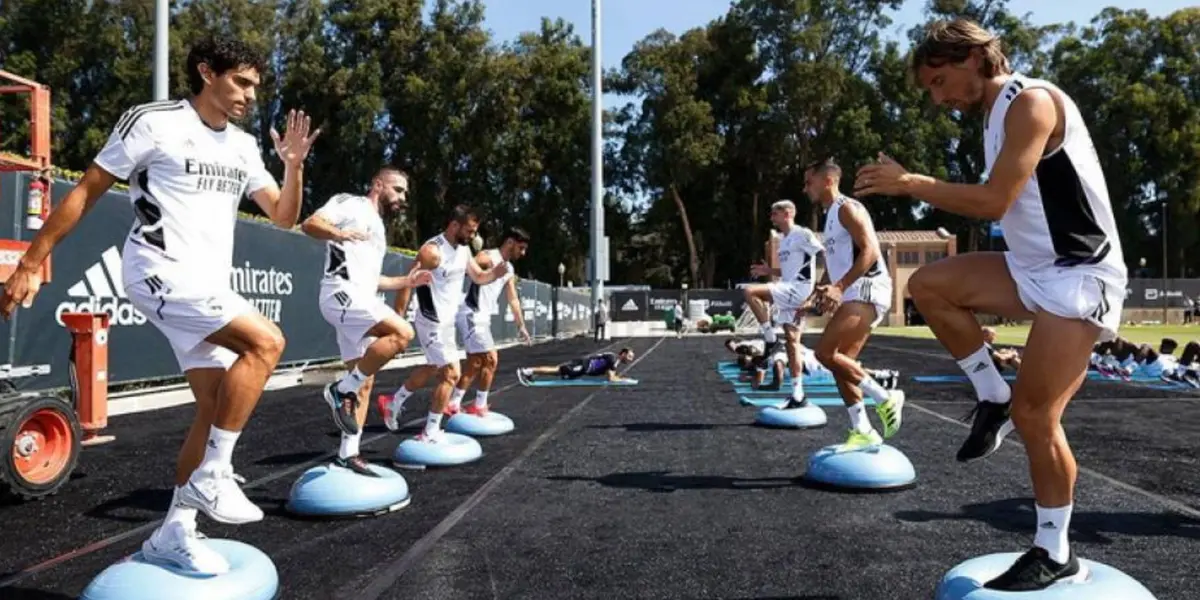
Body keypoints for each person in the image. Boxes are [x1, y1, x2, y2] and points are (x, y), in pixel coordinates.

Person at [0, 38, 319, 574]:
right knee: (267, 342)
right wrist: (31, 262)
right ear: (205, 72)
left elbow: (283, 216)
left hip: (206, 285)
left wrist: (293, 166)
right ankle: (215, 475)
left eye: (255, 86)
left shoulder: (242, 146)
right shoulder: (154, 121)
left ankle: (175, 531)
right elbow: (87, 191)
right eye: (239, 81)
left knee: (216, 404)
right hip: (157, 272)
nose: (248, 95)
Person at [854, 17, 1128, 590]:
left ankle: (1055, 552)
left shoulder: (1031, 103)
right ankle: (991, 394)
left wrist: (910, 183)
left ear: (973, 57)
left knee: (1038, 418)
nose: (938, 97)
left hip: (1080, 276)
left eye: (938, 80)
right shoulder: (994, 115)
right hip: (1033, 269)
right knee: (928, 287)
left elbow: (995, 201)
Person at [301, 168, 432, 476]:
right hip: (341, 295)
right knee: (402, 332)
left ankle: (348, 453)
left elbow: (375, 280)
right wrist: (338, 233)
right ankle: (340, 390)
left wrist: (406, 281)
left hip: (362, 297)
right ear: (377, 185)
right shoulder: (352, 204)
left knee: (366, 380)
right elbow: (310, 224)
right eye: (398, 190)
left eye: (405, 194)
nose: (402, 198)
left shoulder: (379, 230)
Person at [377, 205, 509, 441]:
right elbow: (409, 282)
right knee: (451, 373)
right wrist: (398, 320)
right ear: (454, 225)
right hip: (431, 321)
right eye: (469, 230)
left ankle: (392, 402)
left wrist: (495, 275)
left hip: (447, 323)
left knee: (434, 368)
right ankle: (430, 431)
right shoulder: (432, 251)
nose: (472, 236)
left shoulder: (464, 250)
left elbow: (478, 276)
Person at [803, 159, 906, 449]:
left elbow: (871, 251)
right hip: (853, 292)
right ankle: (863, 430)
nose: (804, 188)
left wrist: (839, 287)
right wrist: (819, 292)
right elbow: (835, 263)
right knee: (842, 365)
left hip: (867, 290)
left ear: (827, 181)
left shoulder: (848, 207)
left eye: (808, 181)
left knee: (824, 353)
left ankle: (886, 397)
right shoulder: (830, 216)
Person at [743, 200, 825, 405]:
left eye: (774, 214)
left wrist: (817, 292)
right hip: (789, 286)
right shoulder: (784, 240)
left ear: (788, 213)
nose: (771, 218)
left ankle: (770, 339)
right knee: (792, 342)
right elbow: (791, 270)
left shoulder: (802, 234)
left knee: (749, 292)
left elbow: (823, 255)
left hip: (798, 289)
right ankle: (798, 394)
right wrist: (769, 272)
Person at [448, 227, 532, 416]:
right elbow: (465, 270)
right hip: (471, 315)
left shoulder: (509, 268)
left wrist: (521, 326)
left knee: (475, 364)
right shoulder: (487, 257)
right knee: (491, 358)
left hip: (482, 319)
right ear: (510, 242)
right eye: (521, 248)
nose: (523, 253)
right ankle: (479, 406)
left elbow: (513, 299)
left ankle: (453, 402)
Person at [517, 348, 636, 384]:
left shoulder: (613, 358)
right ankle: (526, 371)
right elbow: (611, 378)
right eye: (629, 356)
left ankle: (530, 372)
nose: (630, 360)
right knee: (556, 370)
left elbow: (608, 374)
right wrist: (624, 380)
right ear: (623, 354)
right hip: (581, 366)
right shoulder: (614, 360)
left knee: (556, 371)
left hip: (582, 367)